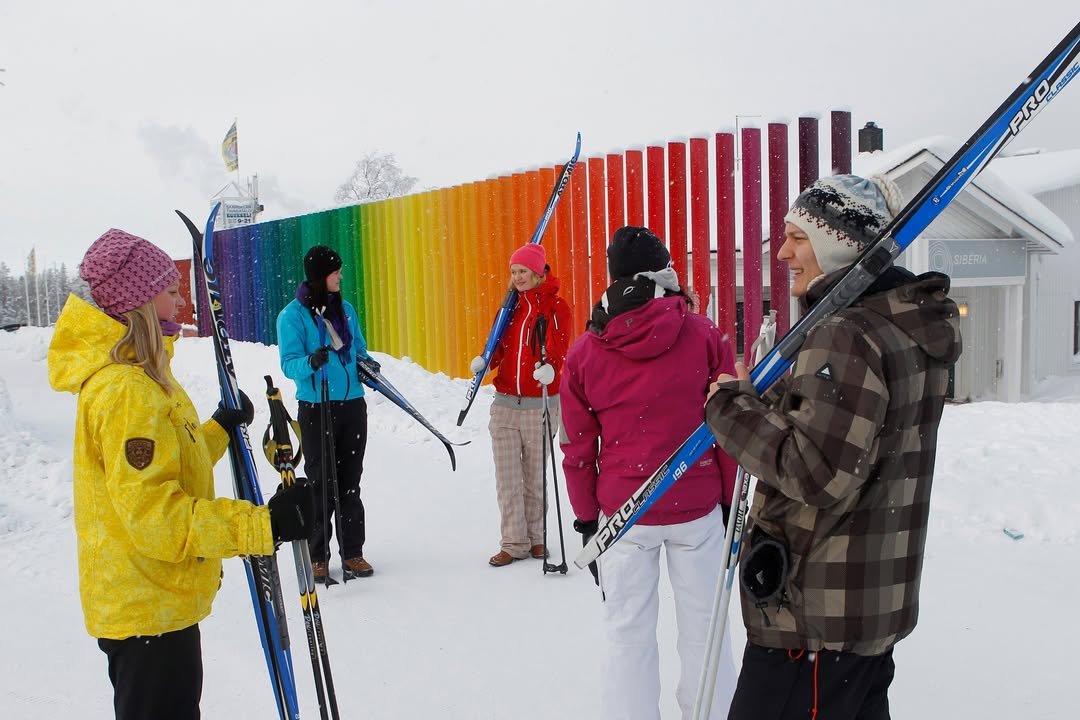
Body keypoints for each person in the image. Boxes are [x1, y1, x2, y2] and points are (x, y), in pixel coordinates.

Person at [704, 175, 962, 720]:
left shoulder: (844, 332)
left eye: (798, 237)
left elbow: (815, 472)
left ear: (838, 242)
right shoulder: (901, 326)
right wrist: (775, 396)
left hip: (814, 618)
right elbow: (861, 433)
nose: (783, 252)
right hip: (865, 606)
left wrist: (729, 410)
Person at [47, 228, 313, 720]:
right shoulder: (127, 390)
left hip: (152, 604)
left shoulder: (142, 377)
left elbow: (167, 468)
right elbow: (157, 519)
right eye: (170, 291)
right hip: (147, 611)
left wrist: (218, 430)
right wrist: (263, 525)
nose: (182, 300)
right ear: (141, 303)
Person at [560, 226, 740, 719]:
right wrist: (728, 502)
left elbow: (577, 447)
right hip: (697, 505)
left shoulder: (585, 352)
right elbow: (725, 427)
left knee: (627, 633)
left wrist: (586, 520)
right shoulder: (704, 334)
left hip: (624, 513)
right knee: (707, 628)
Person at [277, 245, 380, 583]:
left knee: (350, 483)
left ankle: (353, 553)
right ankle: (317, 554)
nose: (340, 276)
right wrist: (310, 362)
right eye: (335, 272)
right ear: (321, 276)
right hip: (316, 406)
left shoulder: (345, 310)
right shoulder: (292, 316)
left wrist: (367, 363)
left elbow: (359, 350)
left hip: (352, 404)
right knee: (322, 483)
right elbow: (288, 363)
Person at [470, 242, 572, 567]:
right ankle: (514, 543)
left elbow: (562, 348)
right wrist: (485, 362)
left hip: (539, 403)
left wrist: (551, 369)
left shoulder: (557, 308)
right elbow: (498, 345)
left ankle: (537, 537)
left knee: (534, 475)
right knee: (508, 478)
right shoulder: (509, 308)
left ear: (538, 272)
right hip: (504, 404)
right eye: (514, 272)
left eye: (523, 271)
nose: (517, 277)